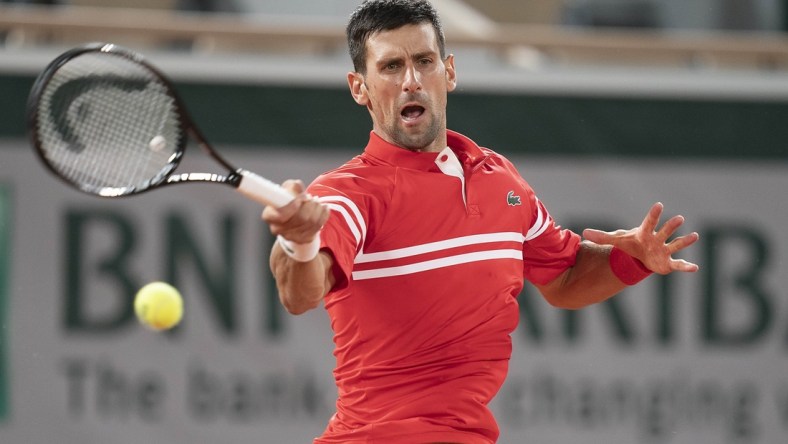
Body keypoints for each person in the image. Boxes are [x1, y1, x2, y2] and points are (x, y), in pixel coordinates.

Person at [262, 0, 699, 442]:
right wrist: (298, 244)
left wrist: (632, 261)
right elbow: (301, 293)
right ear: (360, 88)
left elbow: (565, 279)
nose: (411, 81)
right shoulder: (346, 194)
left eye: (424, 62)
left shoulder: (498, 180)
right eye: (391, 66)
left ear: (448, 72)